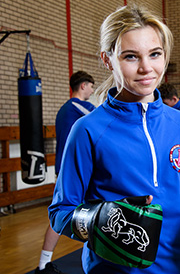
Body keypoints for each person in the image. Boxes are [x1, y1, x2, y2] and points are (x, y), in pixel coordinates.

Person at [48, 4, 180, 274]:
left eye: (154, 54)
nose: (146, 68)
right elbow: (60, 212)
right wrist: (101, 221)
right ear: (108, 59)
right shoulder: (88, 130)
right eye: (131, 57)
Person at [35, 71, 96, 274]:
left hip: (64, 167)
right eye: (91, 86)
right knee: (65, 214)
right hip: (73, 169)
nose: (92, 90)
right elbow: (107, 115)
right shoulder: (79, 106)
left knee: (62, 212)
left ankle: (44, 262)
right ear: (83, 86)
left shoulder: (63, 110)